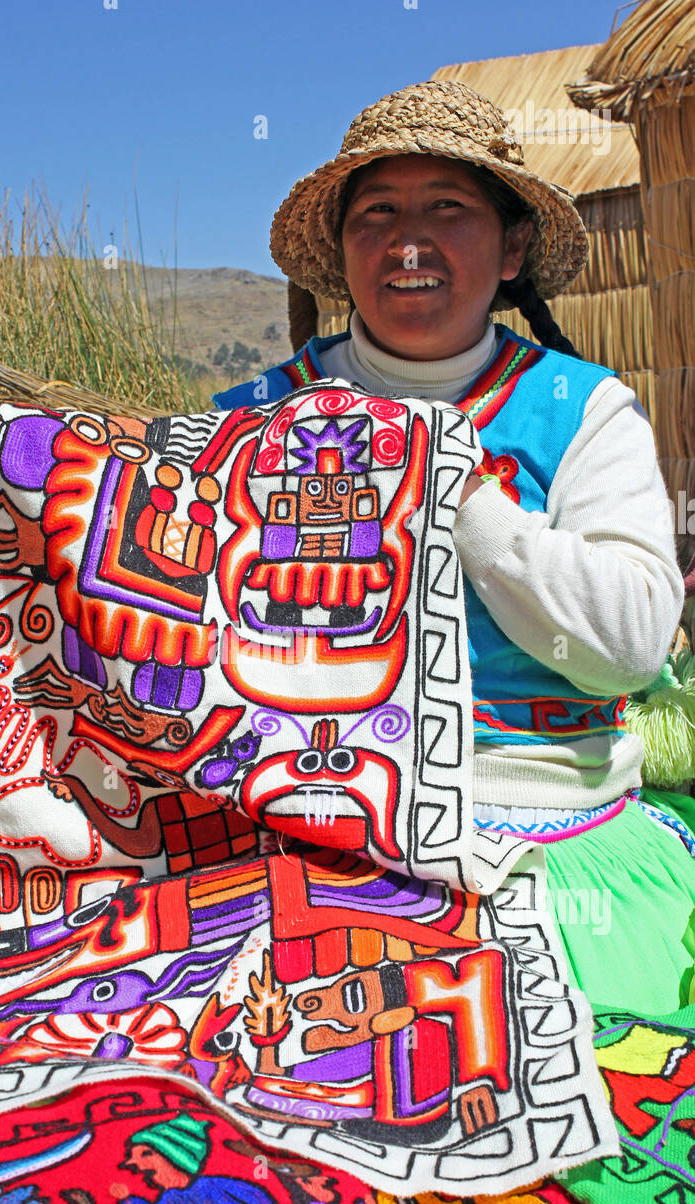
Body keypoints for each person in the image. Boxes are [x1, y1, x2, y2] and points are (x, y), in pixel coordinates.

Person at [212, 79, 695, 1019]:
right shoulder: (248, 424)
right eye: (378, 213)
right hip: (298, 838)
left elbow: (628, 651)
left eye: (449, 209)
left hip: (546, 835)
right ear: (342, 250)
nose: (408, 242)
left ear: (513, 248)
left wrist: (458, 492)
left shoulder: (582, 412)